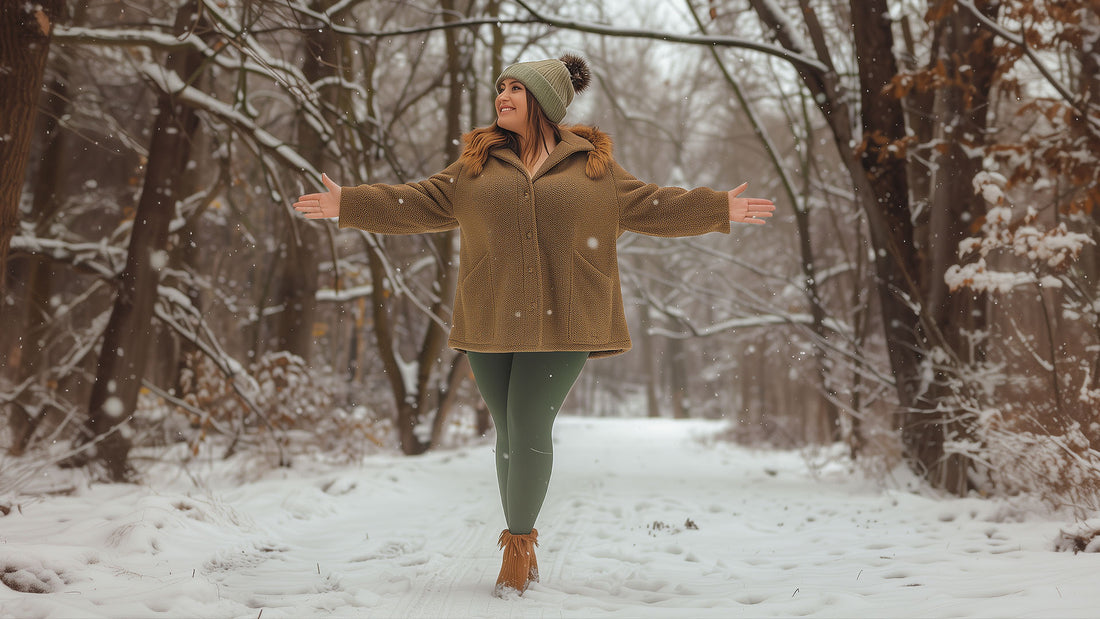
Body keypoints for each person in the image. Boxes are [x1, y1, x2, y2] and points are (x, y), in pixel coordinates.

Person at [293, 54, 775, 596]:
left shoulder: (592, 166)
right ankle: (521, 549)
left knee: (528, 423)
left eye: (517, 88)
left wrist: (716, 209)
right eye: (501, 86)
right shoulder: (475, 165)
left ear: (544, 101)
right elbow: (419, 201)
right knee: (508, 431)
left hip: (566, 315)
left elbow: (652, 204)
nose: (504, 94)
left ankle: (517, 551)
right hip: (491, 312)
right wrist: (349, 204)